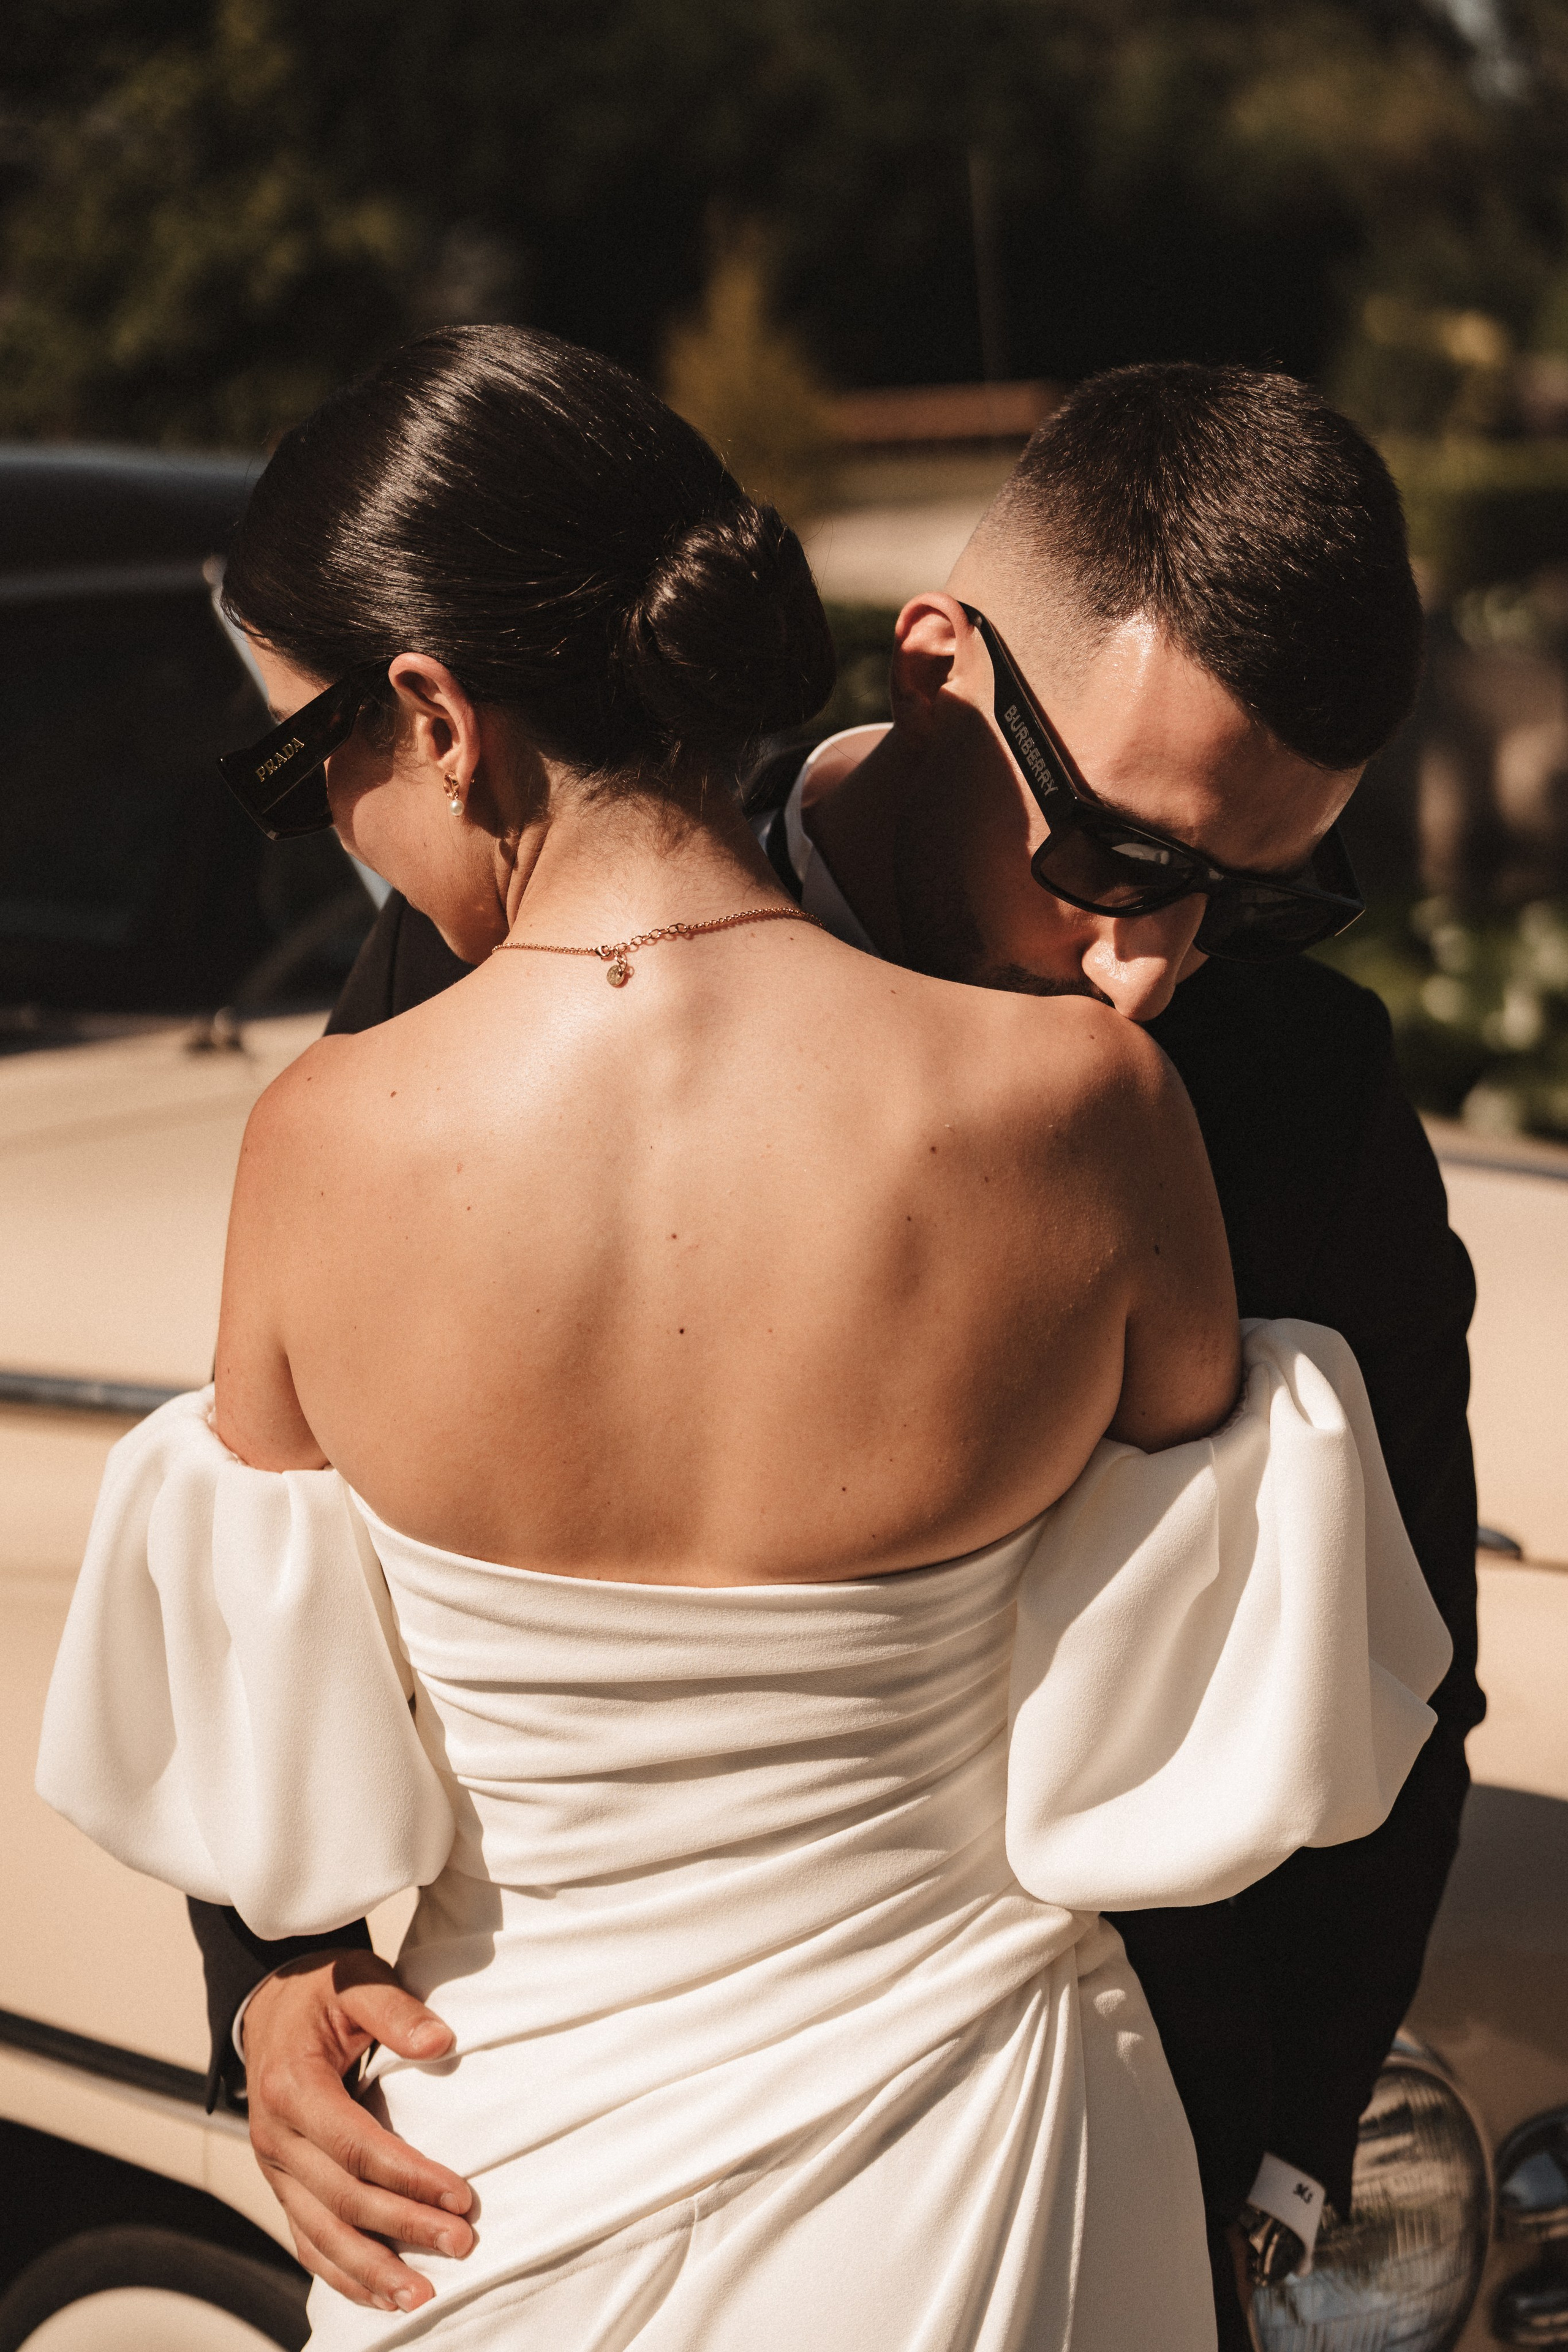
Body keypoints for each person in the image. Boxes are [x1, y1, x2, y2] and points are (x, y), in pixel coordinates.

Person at [37, 327, 1450, 2351]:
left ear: (437, 716)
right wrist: (269, 1988)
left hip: (516, 2174)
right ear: (935, 663)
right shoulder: (1099, 1125)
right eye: (1122, 859)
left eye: (1255, 903)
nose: (1154, 966)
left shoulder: (329, 1137)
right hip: (982, 2170)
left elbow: (269, 1665)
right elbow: (1277, 1684)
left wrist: (1269, 2187)